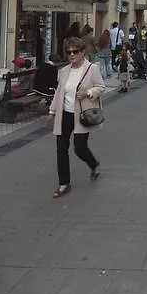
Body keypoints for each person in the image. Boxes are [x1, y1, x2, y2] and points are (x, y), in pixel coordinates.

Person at [48, 37, 106, 198]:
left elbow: (101, 87)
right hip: (64, 114)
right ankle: (64, 183)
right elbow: (59, 93)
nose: (71, 55)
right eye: (68, 52)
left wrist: (88, 93)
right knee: (61, 149)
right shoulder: (64, 71)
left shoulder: (92, 69)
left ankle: (94, 164)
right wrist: (52, 112)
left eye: (75, 52)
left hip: (82, 114)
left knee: (80, 148)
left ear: (82, 52)